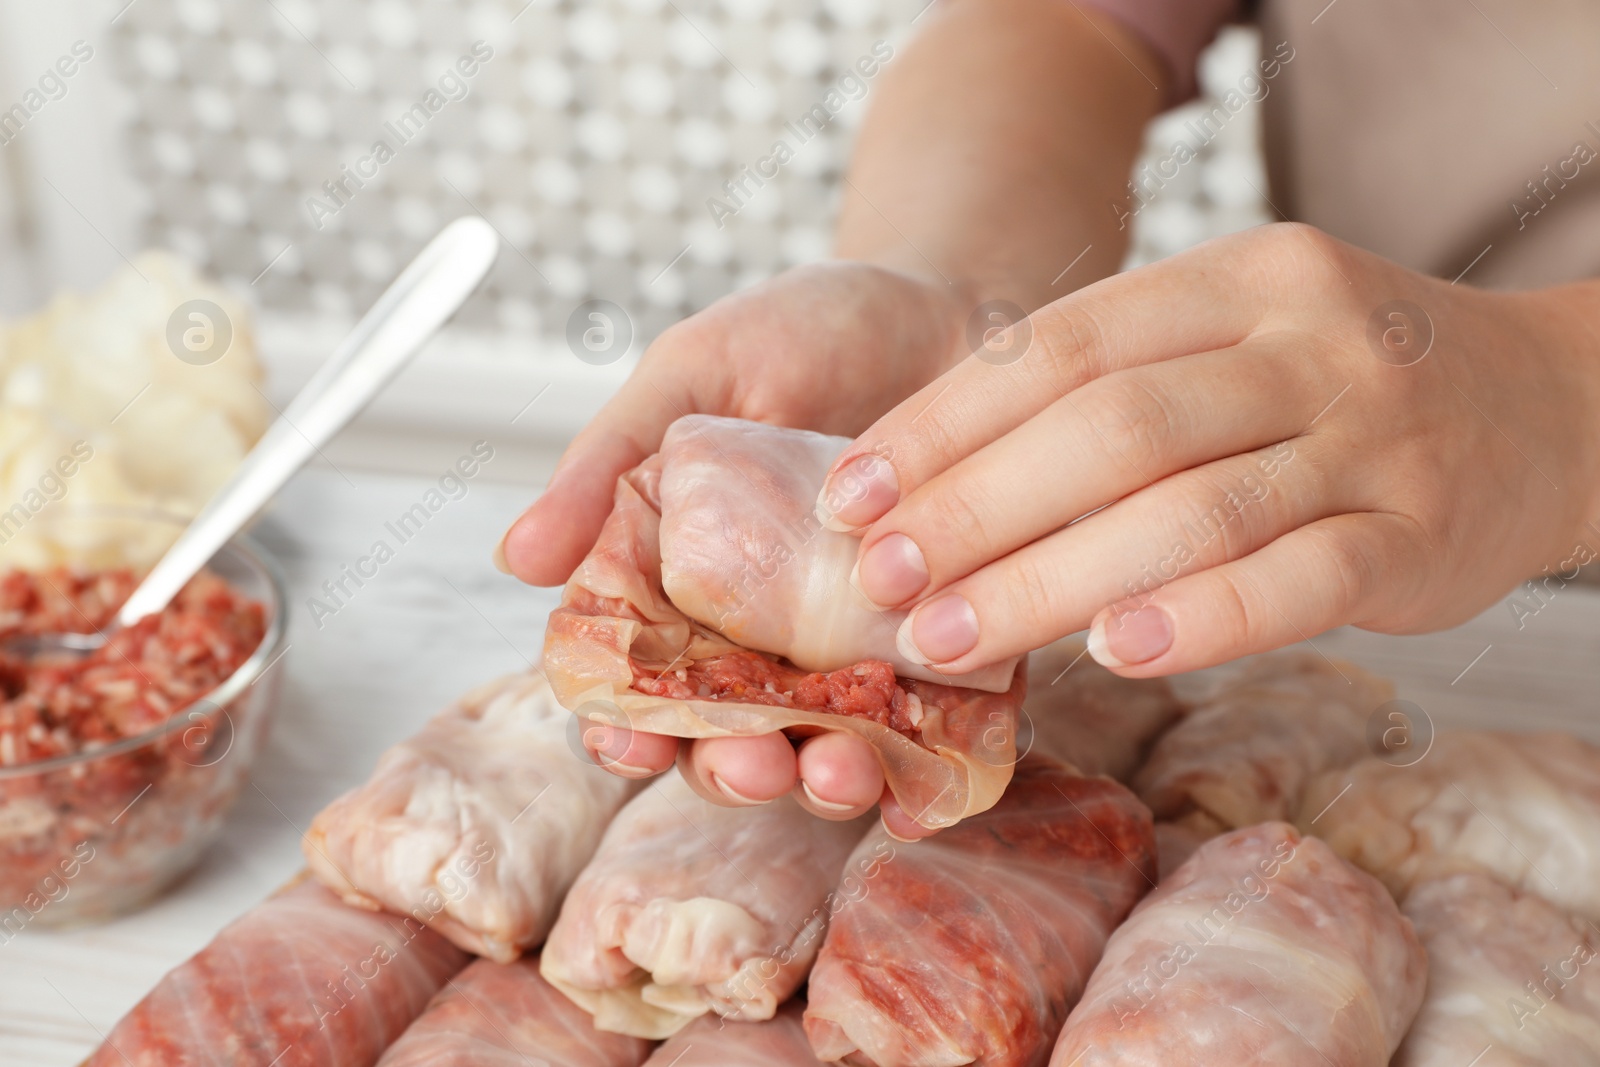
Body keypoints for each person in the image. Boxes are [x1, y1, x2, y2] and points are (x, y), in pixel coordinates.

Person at [496, 0, 1600, 837]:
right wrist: (951, 283)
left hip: (1446, 472)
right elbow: (1066, 19)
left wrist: (1558, 404)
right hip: (1366, 511)